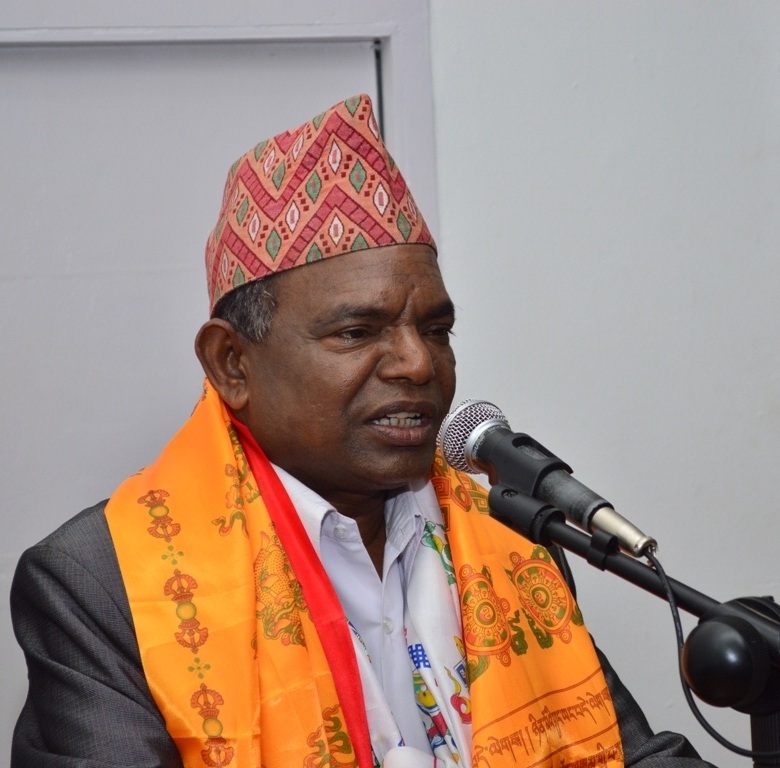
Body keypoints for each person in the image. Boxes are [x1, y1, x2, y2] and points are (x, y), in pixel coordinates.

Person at [10, 94, 716, 768]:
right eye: (357, 332)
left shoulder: (511, 539)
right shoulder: (106, 581)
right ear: (232, 364)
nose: (418, 363)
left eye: (436, 329)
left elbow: (618, 751)